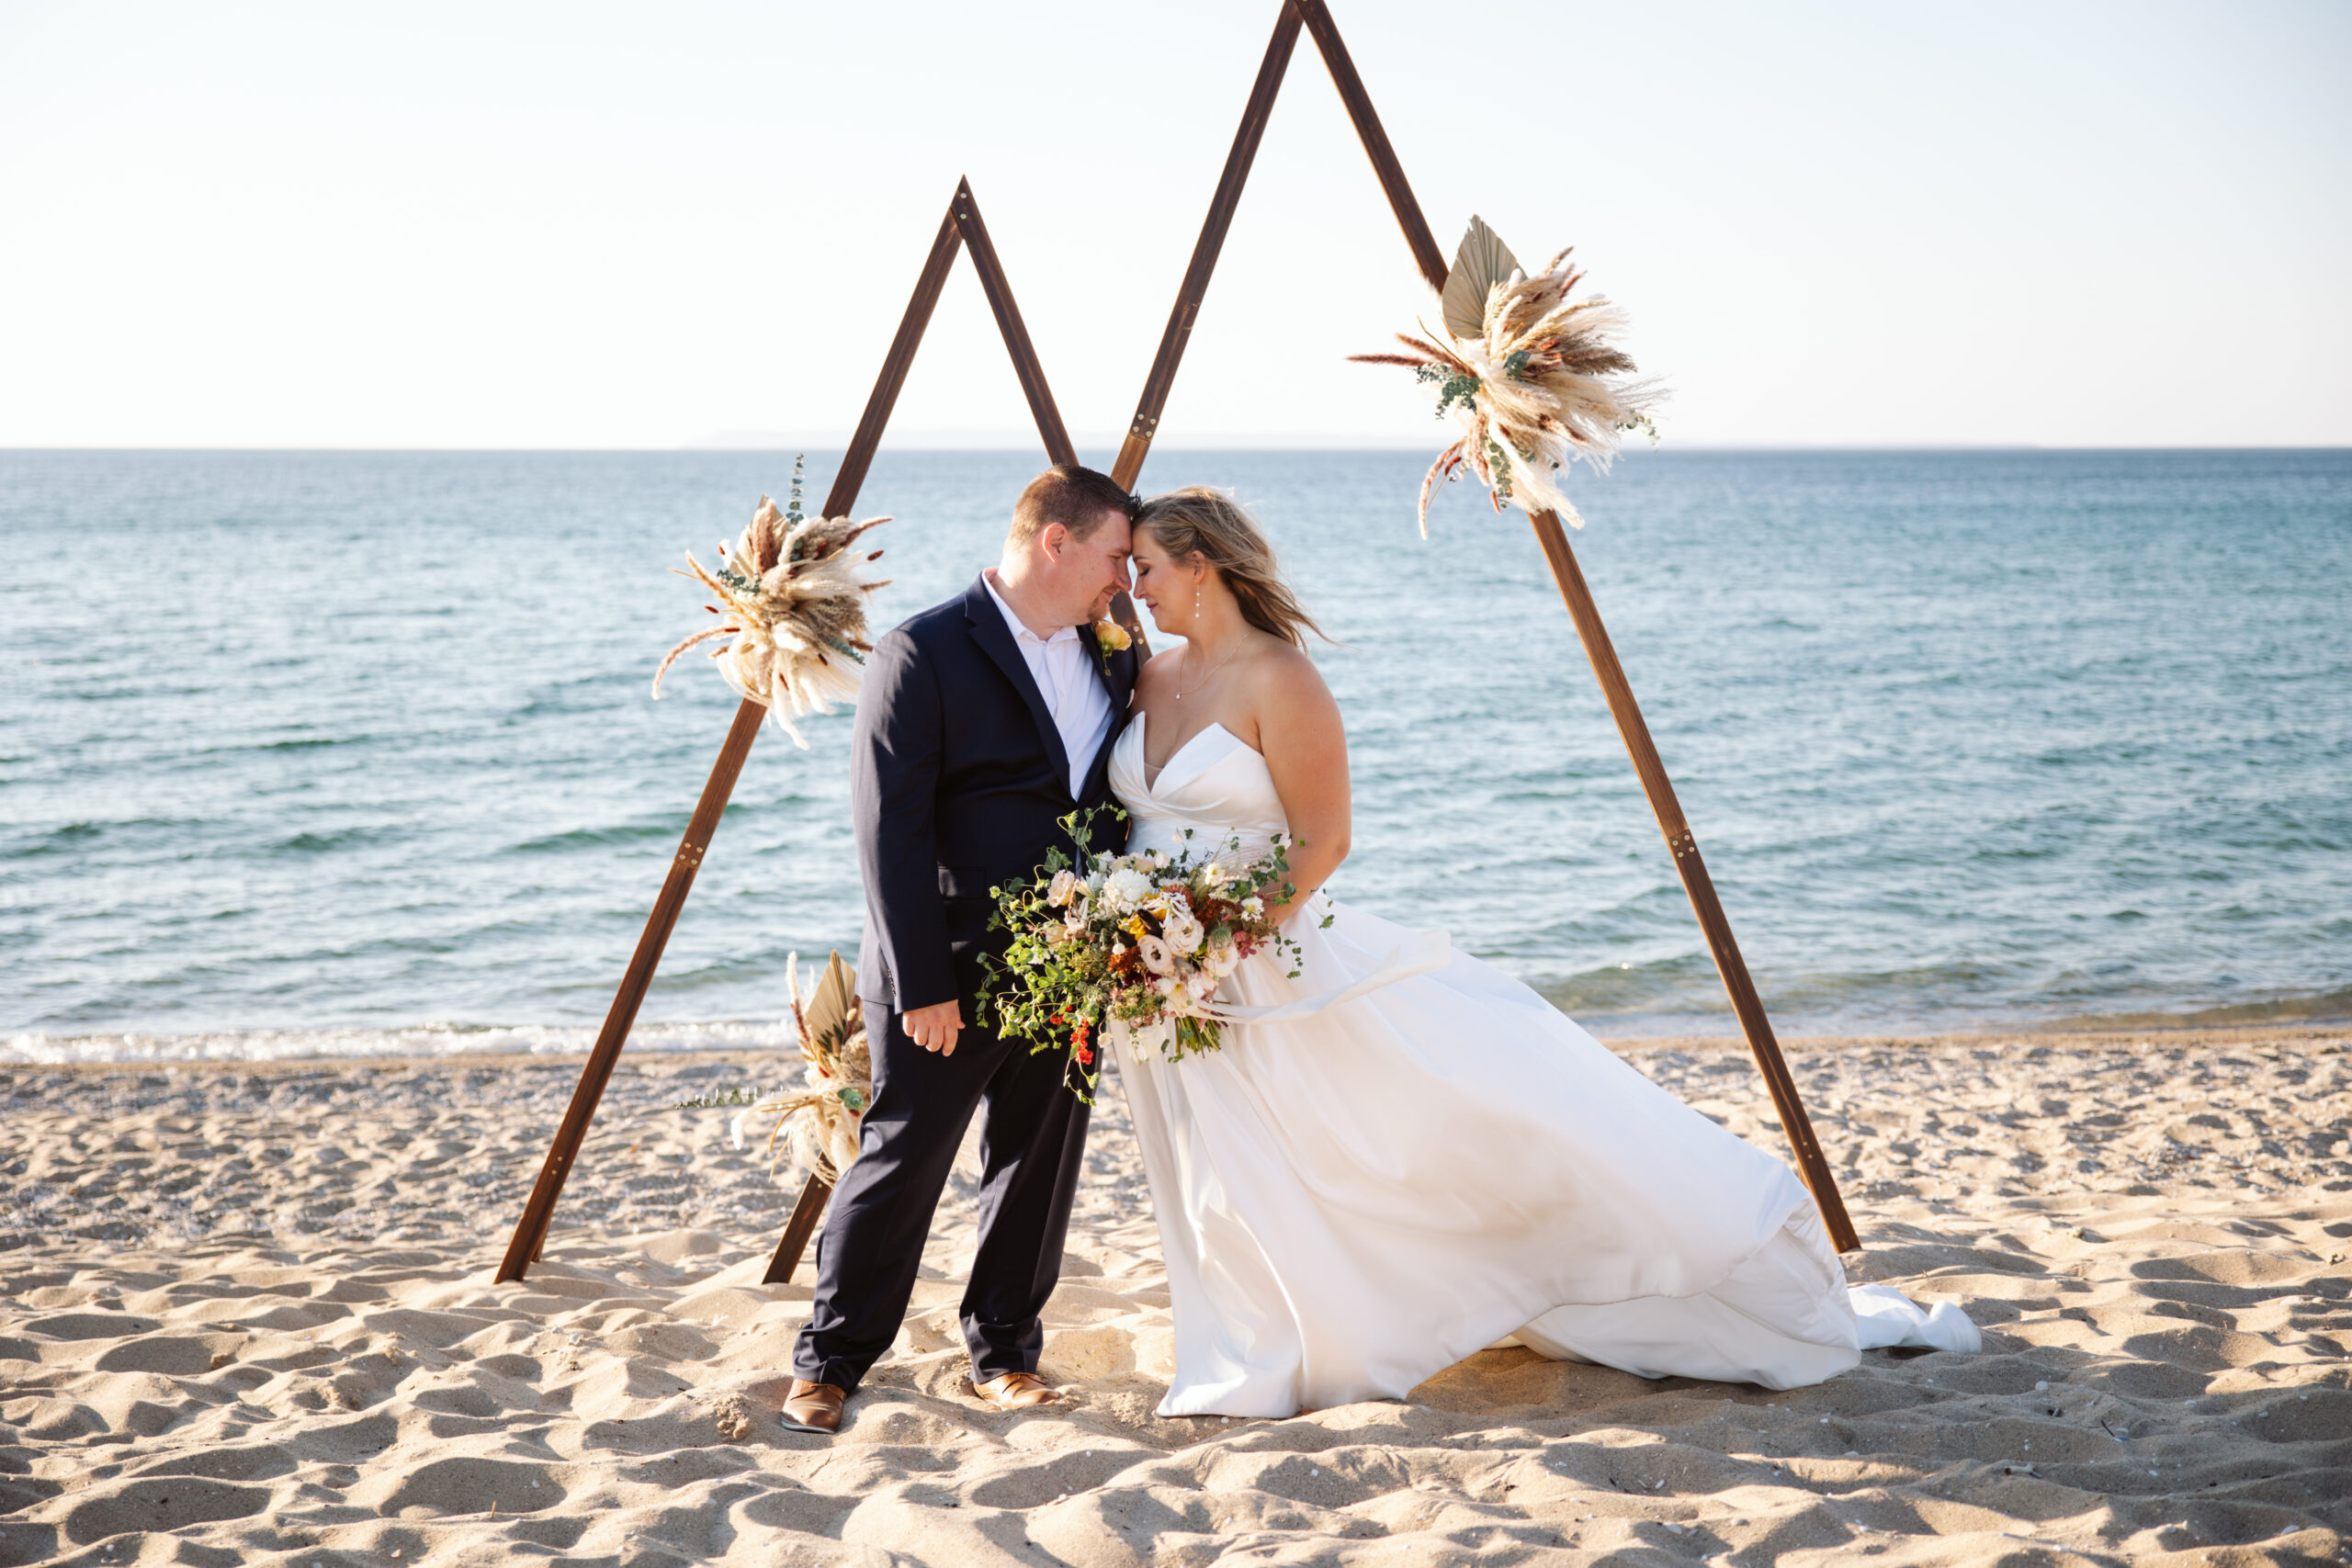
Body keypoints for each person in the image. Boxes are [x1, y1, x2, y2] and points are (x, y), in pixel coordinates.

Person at [1109, 486, 1977, 1419]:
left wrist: (1214, 946)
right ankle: (1255, 1330)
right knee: (1209, 1160)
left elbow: (1322, 843)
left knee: (1347, 1149)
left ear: (1201, 566)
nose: (1133, 587)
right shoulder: (1149, 678)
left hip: (1256, 960)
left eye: (1147, 568)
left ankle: (1316, 1340)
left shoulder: (1283, 679)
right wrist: (1132, 939)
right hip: (1155, 970)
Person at [782, 464, 1141, 1436]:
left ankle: (1004, 1351)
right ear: (1055, 542)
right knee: (902, 1160)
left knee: (1039, 1161)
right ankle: (831, 1360)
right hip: (948, 963)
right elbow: (887, 832)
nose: (1125, 580)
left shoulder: (1114, 652)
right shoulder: (924, 651)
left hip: (1071, 963)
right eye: (1114, 555)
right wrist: (921, 983)